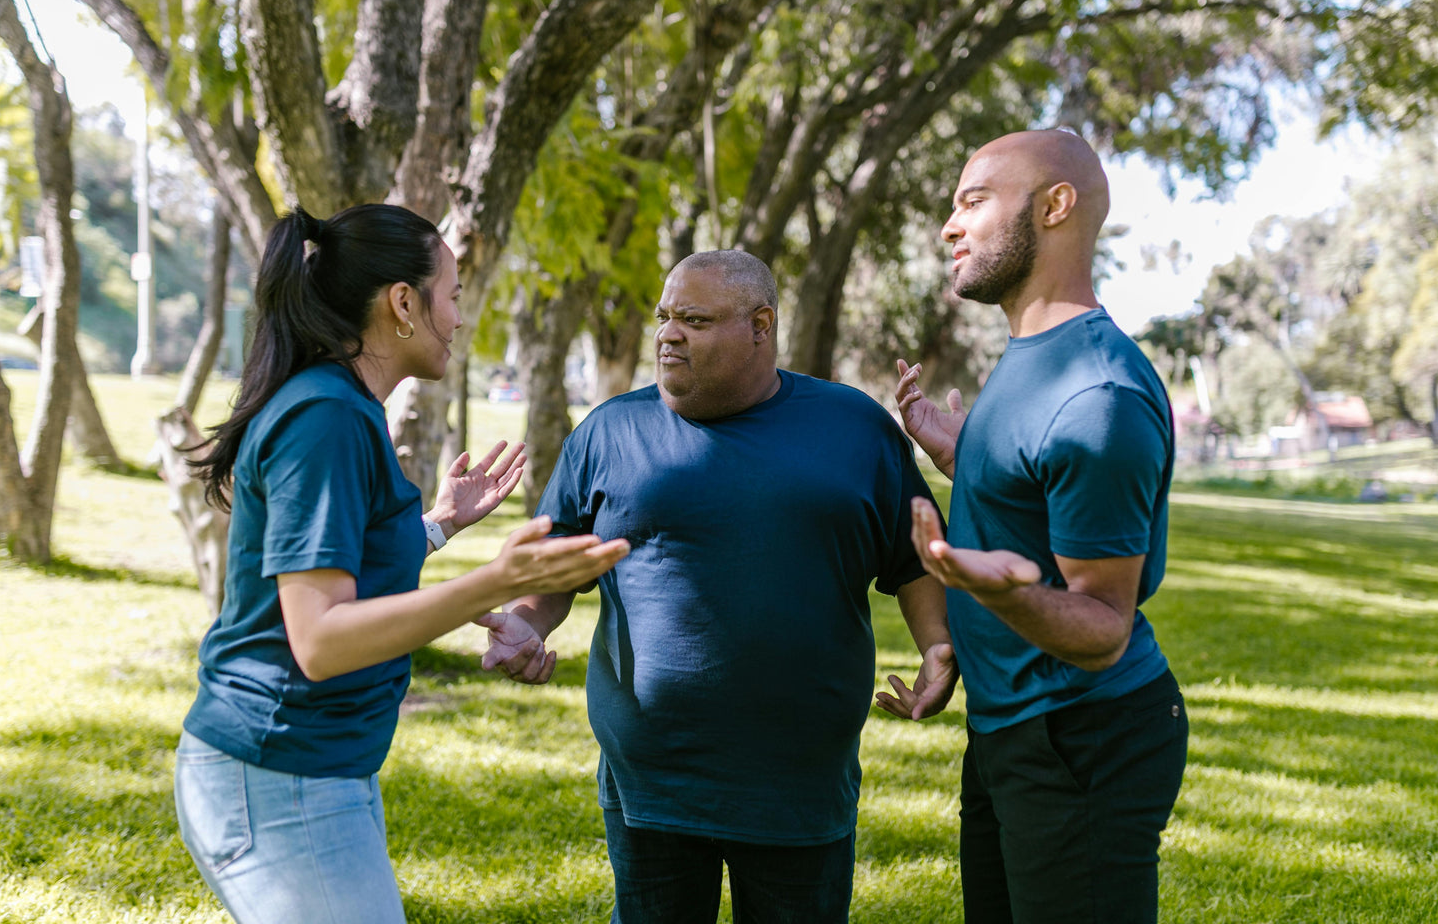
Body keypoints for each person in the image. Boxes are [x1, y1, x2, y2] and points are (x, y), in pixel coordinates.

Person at [175, 203, 629, 924]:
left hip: (317, 767)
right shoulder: (324, 417)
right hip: (279, 769)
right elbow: (321, 640)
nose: (458, 318)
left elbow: (342, 566)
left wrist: (439, 526)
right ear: (403, 304)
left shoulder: (344, 407)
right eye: (451, 296)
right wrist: (498, 581)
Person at [477, 250, 957, 923]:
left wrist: (938, 643)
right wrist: (528, 622)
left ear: (761, 325)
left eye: (694, 319)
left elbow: (911, 560)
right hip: (651, 779)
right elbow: (555, 568)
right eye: (665, 317)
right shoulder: (609, 432)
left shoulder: (856, 428)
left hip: (799, 781)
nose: (668, 333)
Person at [893, 129, 1187, 924]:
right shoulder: (1034, 354)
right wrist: (960, 450)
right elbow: (1035, 486)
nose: (949, 226)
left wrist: (998, 594)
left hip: (1082, 737)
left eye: (973, 201)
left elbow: (1102, 627)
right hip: (1013, 727)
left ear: (1056, 206)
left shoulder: (1098, 396)